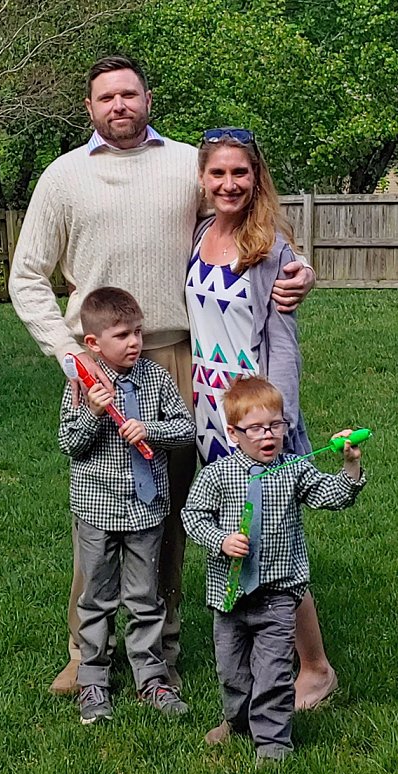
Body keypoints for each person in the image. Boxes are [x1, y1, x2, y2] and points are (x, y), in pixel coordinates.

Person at [8, 54, 314, 696]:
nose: (118, 105)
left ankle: (161, 651)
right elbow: (26, 276)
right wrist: (71, 357)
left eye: (129, 94)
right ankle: (84, 650)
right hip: (99, 367)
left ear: (148, 99)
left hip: (184, 360)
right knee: (101, 505)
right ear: (89, 109)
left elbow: (246, 216)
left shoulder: (184, 164)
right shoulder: (64, 176)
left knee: (172, 513)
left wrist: (298, 266)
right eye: (104, 98)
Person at [185, 127, 337, 710]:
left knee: (275, 544)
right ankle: (249, 652)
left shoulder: (269, 246)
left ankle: (316, 667)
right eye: (218, 173)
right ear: (203, 179)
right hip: (213, 415)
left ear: (257, 178)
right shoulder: (201, 234)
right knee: (235, 538)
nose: (229, 184)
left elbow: (285, 342)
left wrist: (277, 424)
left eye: (240, 173)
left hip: (258, 422)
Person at [181, 376, 366, 760]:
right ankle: (237, 722)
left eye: (276, 425)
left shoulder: (293, 470)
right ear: (234, 433)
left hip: (277, 596)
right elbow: (192, 516)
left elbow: (330, 496)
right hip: (229, 596)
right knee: (232, 672)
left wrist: (349, 468)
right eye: (257, 429)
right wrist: (220, 540)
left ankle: (273, 741)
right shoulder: (217, 475)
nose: (268, 436)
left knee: (274, 673)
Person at [58, 287, 195, 723]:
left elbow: (184, 429)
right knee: (96, 599)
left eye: (138, 332)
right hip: (97, 513)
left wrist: (151, 430)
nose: (134, 342)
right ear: (93, 343)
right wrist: (93, 414)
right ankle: (93, 681)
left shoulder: (156, 379)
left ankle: (151, 678)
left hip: (146, 510)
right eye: (122, 335)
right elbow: (69, 444)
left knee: (145, 597)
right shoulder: (83, 386)